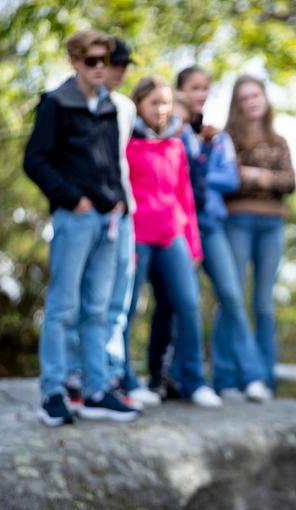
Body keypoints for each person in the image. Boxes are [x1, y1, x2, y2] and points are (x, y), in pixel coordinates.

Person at [23, 29, 139, 425]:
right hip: (74, 219)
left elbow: (113, 162)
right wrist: (73, 198)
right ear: (74, 61)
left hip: (111, 220)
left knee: (99, 309)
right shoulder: (56, 103)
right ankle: (52, 391)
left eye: (104, 61)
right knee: (63, 308)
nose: (98, 69)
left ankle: (95, 390)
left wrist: (119, 200)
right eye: (90, 61)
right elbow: (35, 161)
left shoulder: (111, 107)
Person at [144, 68, 271, 403]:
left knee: (231, 293)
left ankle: (252, 376)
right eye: (193, 88)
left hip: (211, 224)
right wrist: (199, 164)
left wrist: (202, 169)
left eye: (205, 88)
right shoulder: (170, 132)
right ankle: (172, 376)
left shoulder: (218, 136)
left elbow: (230, 179)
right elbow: (173, 175)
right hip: (176, 225)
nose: (200, 94)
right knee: (178, 302)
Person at [64, 37, 161, 412]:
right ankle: (77, 375)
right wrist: (77, 200)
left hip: (124, 215)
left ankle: (110, 374)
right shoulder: (75, 104)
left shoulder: (124, 109)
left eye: (120, 64)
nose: (117, 71)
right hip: (86, 215)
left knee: (117, 302)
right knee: (81, 300)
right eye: (109, 63)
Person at [124, 75, 222, 408]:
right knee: (127, 306)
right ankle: (125, 378)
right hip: (136, 235)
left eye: (166, 102)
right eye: (154, 102)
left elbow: (185, 198)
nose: (162, 109)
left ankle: (194, 380)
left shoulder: (176, 144)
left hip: (173, 234)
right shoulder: (126, 140)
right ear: (139, 104)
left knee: (188, 303)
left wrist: (193, 243)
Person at [223, 74, 296, 391]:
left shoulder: (279, 140)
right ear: (237, 105)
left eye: (256, 96)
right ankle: (226, 376)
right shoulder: (226, 138)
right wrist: (267, 178)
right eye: (244, 98)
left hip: (272, 225)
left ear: (265, 99)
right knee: (232, 297)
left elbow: (289, 182)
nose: (251, 102)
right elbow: (228, 179)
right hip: (237, 222)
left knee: (264, 302)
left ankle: (264, 377)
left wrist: (255, 176)